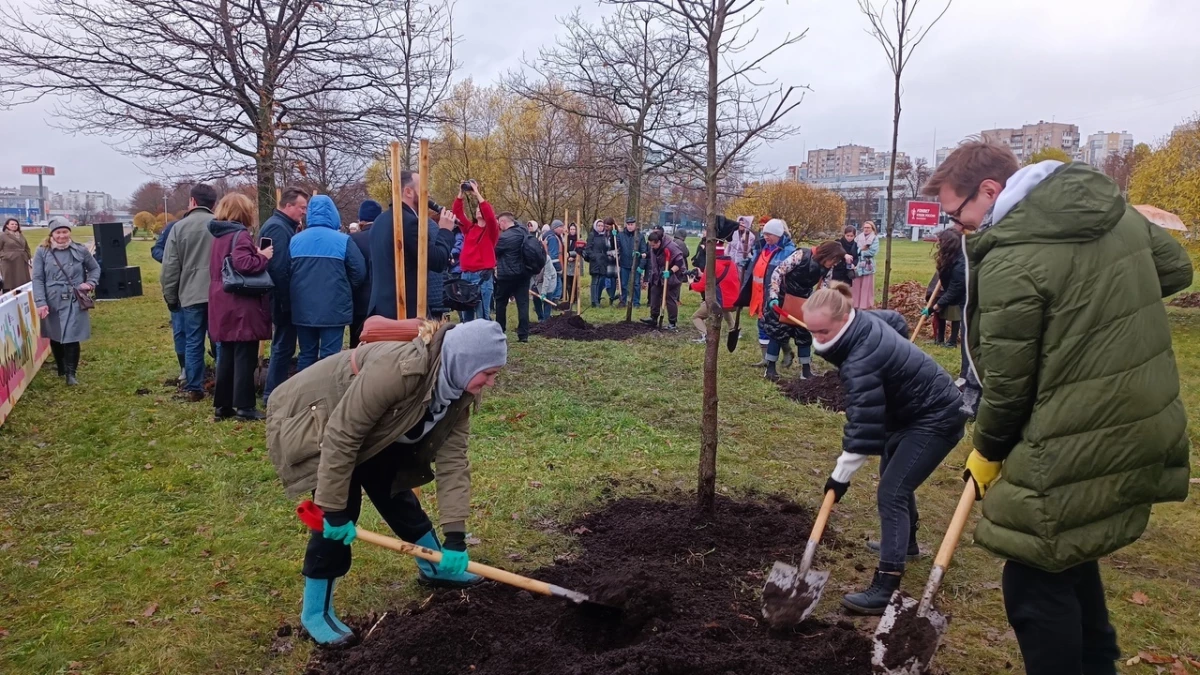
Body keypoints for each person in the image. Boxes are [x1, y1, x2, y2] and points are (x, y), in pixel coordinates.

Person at [924, 141, 1194, 675]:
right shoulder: (1110, 211)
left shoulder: (1010, 257)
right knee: (1068, 553)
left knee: (1032, 581)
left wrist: (989, 447)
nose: (957, 226)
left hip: (1072, 431)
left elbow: (1007, 385)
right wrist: (1096, 306)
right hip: (1139, 418)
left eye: (958, 214)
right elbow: (1174, 269)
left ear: (991, 191)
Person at [266, 319, 507, 646]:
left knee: (394, 490)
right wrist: (332, 509)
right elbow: (343, 433)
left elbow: (454, 464)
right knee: (340, 511)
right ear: (465, 362)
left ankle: (435, 566)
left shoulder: (459, 395)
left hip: (375, 431)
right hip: (319, 415)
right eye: (489, 373)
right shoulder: (400, 370)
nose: (491, 383)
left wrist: (455, 536)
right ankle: (314, 613)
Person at [802, 283, 965, 614]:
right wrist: (898, 364)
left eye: (823, 331)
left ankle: (885, 585)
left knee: (891, 492)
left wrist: (840, 478)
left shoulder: (860, 360)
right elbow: (893, 321)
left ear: (844, 318)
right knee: (892, 476)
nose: (818, 339)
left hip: (936, 417)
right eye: (812, 332)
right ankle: (907, 545)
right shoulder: (862, 323)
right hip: (909, 412)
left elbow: (862, 428)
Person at [206, 194, 273, 421]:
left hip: (221, 300)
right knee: (245, 354)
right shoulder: (240, 234)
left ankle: (222, 406)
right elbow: (243, 264)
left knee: (226, 354)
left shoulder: (218, 235)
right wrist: (263, 256)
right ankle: (245, 407)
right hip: (240, 303)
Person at [289, 195, 367, 371]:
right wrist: (344, 288)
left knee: (306, 354)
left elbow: (287, 272)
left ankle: (301, 395)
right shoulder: (343, 240)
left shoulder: (295, 241)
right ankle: (328, 396)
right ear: (333, 213)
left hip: (303, 309)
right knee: (330, 358)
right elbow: (359, 271)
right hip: (334, 308)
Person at [370, 171, 456, 320]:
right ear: (408, 191)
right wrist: (445, 231)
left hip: (381, 308)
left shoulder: (379, 220)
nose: (427, 195)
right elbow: (436, 261)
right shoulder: (409, 222)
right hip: (404, 310)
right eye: (423, 190)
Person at [161, 184, 219, 402]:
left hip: (191, 294)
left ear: (193, 201)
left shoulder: (179, 228)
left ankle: (194, 387)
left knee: (193, 341)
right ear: (213, 204)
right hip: (218, 294)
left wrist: (171, 297)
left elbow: (170, 268)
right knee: (220, 341)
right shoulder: (221, 226)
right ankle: (223, 385)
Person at [763, 241, 846, 381]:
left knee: (804, 336)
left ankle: (806, 371)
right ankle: (770, 369)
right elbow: (778, 272)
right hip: (783, 299)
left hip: (804, 302)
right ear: (827, 255)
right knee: (778, 333)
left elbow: (824, 289)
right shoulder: (801, 255)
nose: (835, 264)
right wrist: (774, 295)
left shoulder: (828, 268)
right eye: (835, 259)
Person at [31, 217, 100, 386]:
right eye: (58, 232)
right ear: (52, 234)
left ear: (69, 232)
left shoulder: (80, 250)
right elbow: (38, 278)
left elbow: (94, 268)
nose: (62, 235)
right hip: (52, 299)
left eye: (64, 231)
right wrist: (41, 302)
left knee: (72, 335)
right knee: (55, 335)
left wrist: (90, 283)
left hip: (74, 298)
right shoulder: (42, 251)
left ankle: (71, 374)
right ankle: (61, 367)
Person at [259, 187, 310, 405]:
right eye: (301, 207)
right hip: (281, 297)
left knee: (284, 345)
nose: (304, 212)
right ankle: (272, 394)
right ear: (288, 206)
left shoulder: (282, 226)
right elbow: (278, 268)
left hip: (280, 296)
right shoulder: (278, 228)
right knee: (283, 346)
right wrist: (285, 300)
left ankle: (273, 392)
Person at [734, 218, 795, 368]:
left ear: (778, 234)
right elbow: (757, 264)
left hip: (775, 294)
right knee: (762, 324)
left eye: (769, 234)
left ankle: (786, 351)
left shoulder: (788, 251)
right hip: (758, 293)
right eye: (764, 233)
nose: (765, 237)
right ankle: (765, 358)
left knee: (775, 326)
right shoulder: (761, 246)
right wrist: (748, 263)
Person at [451, 180, 499, 322]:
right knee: (467, 314)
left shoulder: (491, 231)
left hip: (482, 276)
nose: (479, 209)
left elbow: (489, 215)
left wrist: (476, 192)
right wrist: (461, 193)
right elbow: (457, 214)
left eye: (481, 208)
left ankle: (485, 341)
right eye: (477, 208)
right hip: (466, 276)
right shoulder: (469, 228)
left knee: (482, 314)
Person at [152, 218, 187, 382]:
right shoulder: (174, 227)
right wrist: (170, 260)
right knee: (180, 328)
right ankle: (185, 367)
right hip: (179, 285)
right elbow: (156, 249)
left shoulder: (212, 224)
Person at [492, 212, 537, 343]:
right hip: (523, 274)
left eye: (499, 223)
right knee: (523, 304)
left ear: (504, 222)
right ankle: (523, 335)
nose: (499, 226)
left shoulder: (504, 237)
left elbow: (494, 251)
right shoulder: (524, 232)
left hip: (506, 275)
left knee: (500, 303)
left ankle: (500, 331)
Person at [688, 241, 740, 344]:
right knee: (725, 309)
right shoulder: (732, 264)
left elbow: (702, 286)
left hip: (720, 302)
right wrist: (702, 274)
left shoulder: (712, 266)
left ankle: (705, 336)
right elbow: (719, 278)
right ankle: (733, 328)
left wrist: (691, 284)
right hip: (734, 302)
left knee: (696, 317)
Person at [641, 230, 687, 330]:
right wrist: (643, 255)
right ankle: (653, 317)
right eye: (650, 245)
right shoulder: (654, 246)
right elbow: (652, 254)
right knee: (654, 294)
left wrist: (670, 272)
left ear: (659, 242)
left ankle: (672, 322)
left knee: (670, 299)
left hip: (672, 275)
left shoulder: (671, 246)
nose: (651, 247)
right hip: (658, 275)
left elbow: (679, 262)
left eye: (653, 245)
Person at [929, 229, 965, 353]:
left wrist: (937, 305)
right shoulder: (952, 258)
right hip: (953, 295)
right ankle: (940, 339)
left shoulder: (961, 264)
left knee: (957, 317)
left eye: (941, 242)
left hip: (963, 299)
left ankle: (953, 341)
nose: (939, 245)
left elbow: (956, 288)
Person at [349, 200, 379, 347]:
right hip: (381, 300)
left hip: (358, 299)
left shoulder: (352, 239)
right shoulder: (389, 238)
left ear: (361, 220)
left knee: (356, 343)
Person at [534, 220, 565, 321]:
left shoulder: (546, 259)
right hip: (538, 280)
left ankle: (546, 320)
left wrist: (543, 292)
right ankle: (540, 318)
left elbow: (547, 276)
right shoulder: (532, 259)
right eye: (561, 227)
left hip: (550, 278)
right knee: (536, 298)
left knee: (547, 297)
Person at [583, 219, 616, 308]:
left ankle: (597, 299)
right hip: (595, 262)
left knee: (600, 280)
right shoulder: (592, 235)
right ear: (595, 226)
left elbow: (607, 247)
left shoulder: (604, 236)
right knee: (595, 281)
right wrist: (594, 256)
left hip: (603, 261)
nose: (601, 227)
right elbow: (588, 249)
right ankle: (594, 301)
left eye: (602, 226)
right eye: (599, 225)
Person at [616, 216, 646, 309]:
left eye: (631, 224)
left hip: (635, 264)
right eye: (628, 224)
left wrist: (641, 265)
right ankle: (623, 301)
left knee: (636, 284)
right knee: (624, 284)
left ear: (635, 225)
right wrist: (613, 237)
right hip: (624, 263)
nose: (630, 226)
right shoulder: (620, 235)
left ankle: (636, 302)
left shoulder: (640, 236)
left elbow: (644, 251)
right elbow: (615, 246)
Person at [851, 221, 879, 309]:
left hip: (868, 264)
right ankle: (855, 304)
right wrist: (861, 250)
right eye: (865, 227)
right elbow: (854, 249)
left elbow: (873, 251)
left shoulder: (874, 238)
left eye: (868, 228)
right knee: (856, 285)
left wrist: (861, 252)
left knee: (867, 285)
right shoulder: (858, 237)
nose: (866, 229)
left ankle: (866, 304)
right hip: (858, 264)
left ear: (872, 229)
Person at [1, 217, 33, 292]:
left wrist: (28, 256)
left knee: (20, 281)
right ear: (7, 225)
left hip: (21, 261)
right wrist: (6, 255)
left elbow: (26, 247)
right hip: (8, 262)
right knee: (8, 282)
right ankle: (6, 299)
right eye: (12, 224)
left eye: (16, 224)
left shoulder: (20, 235)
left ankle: (20, 299)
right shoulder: (3, 236)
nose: (14, 225)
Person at [564, 223, 582, 305]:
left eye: (574, 229)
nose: (572, 231)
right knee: (568, 282)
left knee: (575, 281)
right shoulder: (567, 239)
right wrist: (567, 256)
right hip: (568, 263)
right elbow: (564, 250)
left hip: (575, 262)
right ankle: (569, 297)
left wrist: (572, 256)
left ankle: (575, 298)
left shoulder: (579, 239)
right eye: (571, 229)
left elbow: (580, 250)